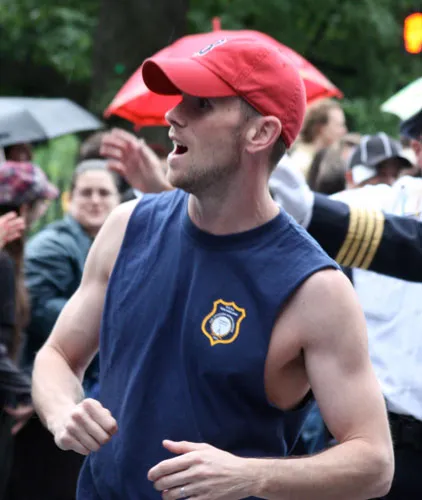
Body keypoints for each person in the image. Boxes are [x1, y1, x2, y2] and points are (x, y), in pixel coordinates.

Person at [32, 38, 393, 499]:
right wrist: (63, 410)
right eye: (179, 99)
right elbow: (57, 356)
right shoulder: (125, 227)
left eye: (201, 104)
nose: (172, 115)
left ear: (260, 133)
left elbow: (374, 461)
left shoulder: (315, 289)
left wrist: (252, 475)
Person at [6, 159, 121, 500]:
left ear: (118, 199)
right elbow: (37, 310)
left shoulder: (109, 241)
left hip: (81, 393)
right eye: (86, 192)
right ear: (70, 199)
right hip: (41, 396)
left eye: (104, 192)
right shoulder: (53, 245)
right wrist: (111, 318)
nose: (95, 200)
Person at [269, 107, 422, 282]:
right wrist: (308, 209)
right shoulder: (396, 195)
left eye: (394, 173)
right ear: (417, 149)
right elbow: (352, 206)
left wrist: (310, 209)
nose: (388, 179)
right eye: (379, 173)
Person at [0, 161, 58, 498]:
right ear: (22, 209)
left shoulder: (12, 258)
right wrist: (30, 392)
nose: (42, 212)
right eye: (40, 204)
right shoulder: (4, 262)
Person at [288, 99, 347, 178]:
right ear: (321, 128)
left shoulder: (322, 157)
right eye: (339, 125)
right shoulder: (302, 161)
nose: (344, 131)